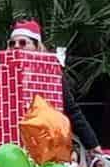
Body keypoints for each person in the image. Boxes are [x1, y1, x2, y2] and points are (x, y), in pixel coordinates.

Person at [6, 19, 99, 149]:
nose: (16, 46)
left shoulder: (51, 74)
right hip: (10, 145)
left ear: (36, 46)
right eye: (12, 43)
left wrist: (92, 144)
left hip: (45, 144)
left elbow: (72, 110)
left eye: (22, 43)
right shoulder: (1, 74)